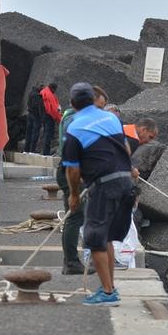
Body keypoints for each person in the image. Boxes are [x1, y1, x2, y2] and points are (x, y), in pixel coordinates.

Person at [61, 82, 136, 306]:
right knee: (107, 238)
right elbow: (127, 149)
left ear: (73, 103)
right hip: (125, 182)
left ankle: (107, 292)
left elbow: (72, 169)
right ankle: (110, 287)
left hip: (104, 186)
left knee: (94, 239)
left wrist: (74, 195)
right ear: (94, 100)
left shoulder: (74, 128)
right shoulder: (111, 118)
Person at [56, 92, 92, 275]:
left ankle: (70, 261)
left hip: (70, 170)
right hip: (71, 172)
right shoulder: (74, 121)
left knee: (75, 217)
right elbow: (74, 154)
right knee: (75, 217)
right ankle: (70, 262)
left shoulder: (69, 117)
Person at [40, 83, 62, 155]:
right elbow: (53, 109)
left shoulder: (43, 92)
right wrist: (59, 119)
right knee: (48, 134)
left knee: (45, 133)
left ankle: (44, 151)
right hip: (49, 117)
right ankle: (46, 152)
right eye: (55, 89)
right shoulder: (50, 95)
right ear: (53, 88)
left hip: (43, 116)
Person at [25, 83, 44, 153]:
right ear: (38, 86)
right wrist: (40, 115)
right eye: (41, 86)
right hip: (35, 116)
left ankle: (26, 149)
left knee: (28, 132)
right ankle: (32, 149)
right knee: (35, 132)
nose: (42, 88)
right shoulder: (36, 95)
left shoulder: (31, 93)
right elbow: (36, 106)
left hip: (30, 114)